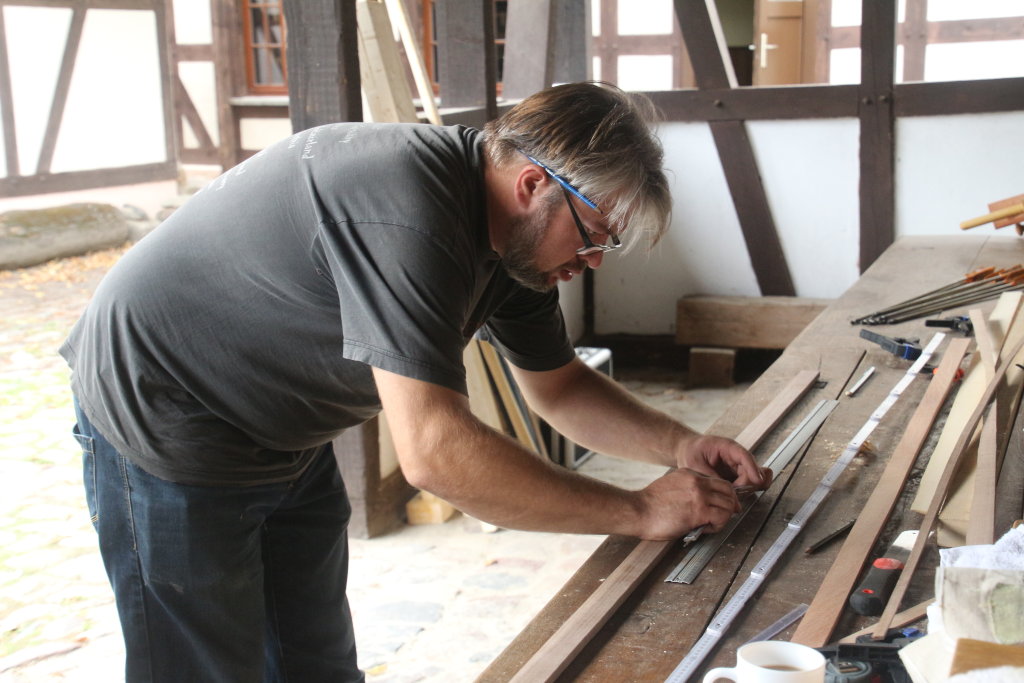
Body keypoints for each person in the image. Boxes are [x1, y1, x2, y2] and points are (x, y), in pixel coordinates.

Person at [61, 81, 771, 682]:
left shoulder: (518, 245)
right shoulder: (409, 207)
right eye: (594, 234)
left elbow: (558, 387)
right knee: (207, 667)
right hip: (165, 409)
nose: (594, 260)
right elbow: (435, 454)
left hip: (285, 431)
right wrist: (638, 511)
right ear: (533, 186)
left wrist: (681, 445)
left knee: (315, 662)